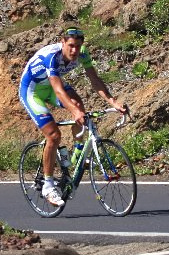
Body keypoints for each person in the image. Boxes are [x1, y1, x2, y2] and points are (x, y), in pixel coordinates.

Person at [19, 27, 127, 206]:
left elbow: (95, 80)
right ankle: (48, 185)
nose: (74, 50)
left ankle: (77, 153)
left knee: (78, 104)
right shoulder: (51, 57)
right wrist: (75, 112)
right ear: (62, 43)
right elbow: (59, 91)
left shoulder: (83, 55)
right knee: (53, 135)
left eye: (78, 46)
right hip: (33, 91)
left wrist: (113, 102)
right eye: (70, 46)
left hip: (52, 86)